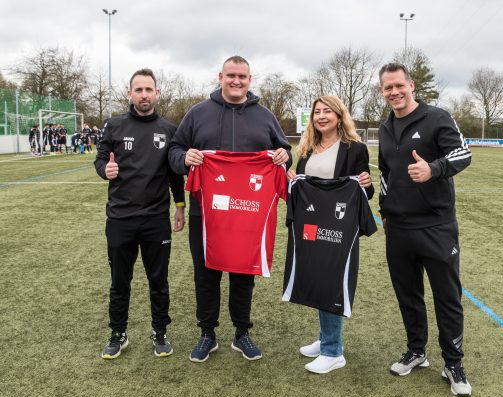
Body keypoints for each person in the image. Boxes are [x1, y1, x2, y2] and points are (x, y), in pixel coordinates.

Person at [168, 55, 291, 363]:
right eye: (231, 75)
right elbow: (174, 149)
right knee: (205, 273)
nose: (237, 81)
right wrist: (185, 158)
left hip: (247, 212)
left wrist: (282, 155)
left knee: (243, 274)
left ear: (250, 80)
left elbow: (285, 151)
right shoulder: (198, 113)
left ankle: (241, 332)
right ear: (220, 76)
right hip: (204, 213)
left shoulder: (265, 116)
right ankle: (207, 333)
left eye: (242, 76)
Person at [377, 62, 473, 397]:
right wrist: (384, 211)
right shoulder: (385, 127)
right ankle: (416, 351)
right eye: (388, 88)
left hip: (436, 226)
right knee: (408, 296)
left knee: (447, 297)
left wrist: (433, 169)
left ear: (411, 85)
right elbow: (385, 174)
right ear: (382, 91)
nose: (394, 92)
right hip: (398, 228)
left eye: (399, 85)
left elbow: (463, 154)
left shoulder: (437, 117)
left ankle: (453, 363)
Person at [94, 68, 185, 360]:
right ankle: (118, 334)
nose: (144, 95)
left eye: (148, 90)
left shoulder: (170, 130)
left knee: (158, 281)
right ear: (130, 93)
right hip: (120, 219)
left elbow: (175, 175)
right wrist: (104, 170)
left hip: (155, 220)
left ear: (157, 93)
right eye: (139, 90)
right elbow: (100, 159)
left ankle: (160, 332)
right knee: (119, 282)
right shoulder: (114, 125)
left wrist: (180, 206)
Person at [285, 95, 374, 374]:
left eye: (327, 112)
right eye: (317, 112)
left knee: (332, 282)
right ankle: (326, 337)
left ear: (339, 116)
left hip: (338, 228)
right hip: (311, 226)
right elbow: (303, 188)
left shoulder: (355, 148)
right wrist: (293, 180)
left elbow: (365, 193)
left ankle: (333, 351)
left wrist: (367, 183)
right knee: (317, 279)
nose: (321, 116)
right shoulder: (307, 148)